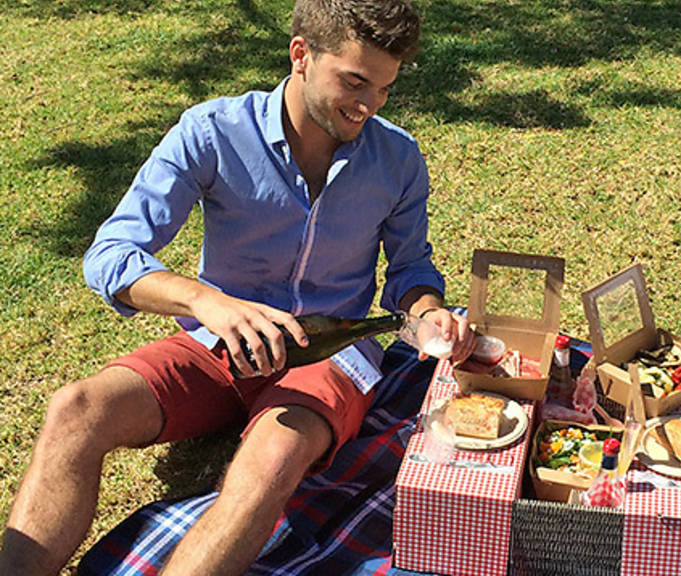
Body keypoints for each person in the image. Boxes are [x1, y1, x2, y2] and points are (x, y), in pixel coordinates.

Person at [0, 1, 475, 574]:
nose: (368, 105)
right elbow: (111, 254)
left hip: (332, 354)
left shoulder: (397, 158)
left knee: (272, 458)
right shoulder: (213, 131)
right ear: (301, 54)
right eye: (355, 82)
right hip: (218, 348)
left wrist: (427, 311)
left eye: (384, 88)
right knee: (76, 409)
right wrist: (208, 302)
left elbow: (411, 270)